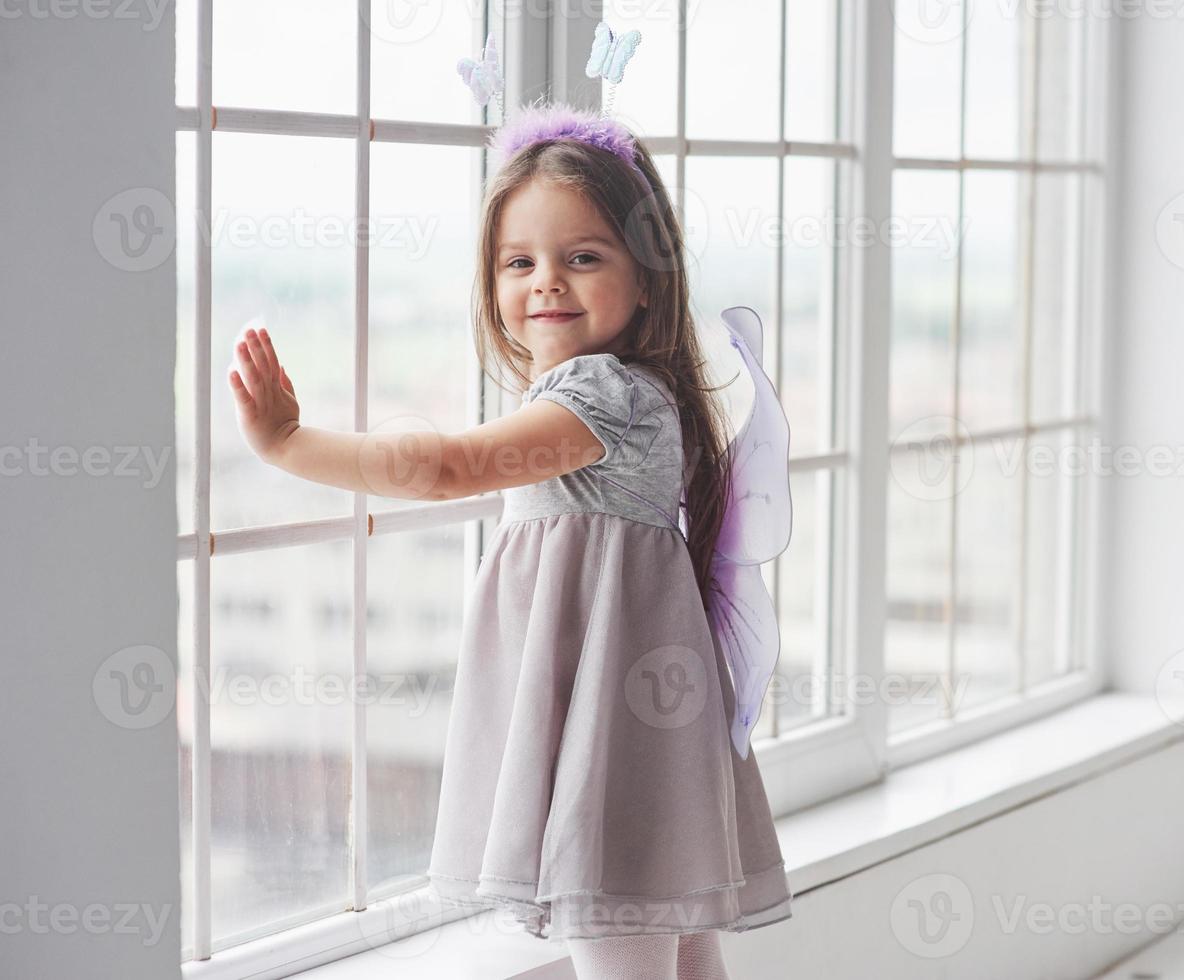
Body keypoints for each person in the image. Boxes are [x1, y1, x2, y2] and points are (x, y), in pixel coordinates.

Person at [226, 100, 793, 979]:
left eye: (583, 258)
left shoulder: (604, 398)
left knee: (623, 935)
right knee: (678, 953)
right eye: (518, 262)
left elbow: (444, 468)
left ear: (647, 278)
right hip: (634, 717)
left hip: (614, 732)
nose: (546, 283)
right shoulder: (631, 393)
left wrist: (289, 444)